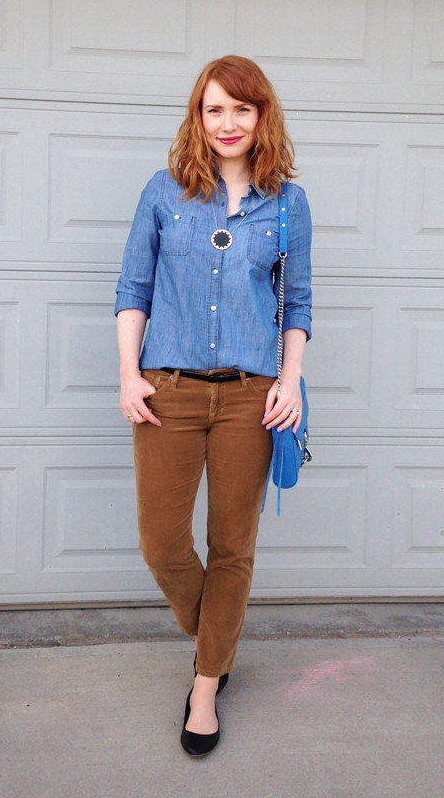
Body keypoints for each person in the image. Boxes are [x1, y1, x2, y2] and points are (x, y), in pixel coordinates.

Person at [115, 55, 312, 757]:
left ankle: (205, 686)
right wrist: (127, 374)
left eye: (242, 108)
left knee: (233, 546)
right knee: (162, 543)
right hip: (166, 389)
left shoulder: (287, 204)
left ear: (263, 117)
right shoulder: (164, 194)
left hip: (252, 398)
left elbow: (297, 302)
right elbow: (133, 287)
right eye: (213, 109)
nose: (227, 123)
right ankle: (218, 639)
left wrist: (289, 381)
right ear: (198, 117)